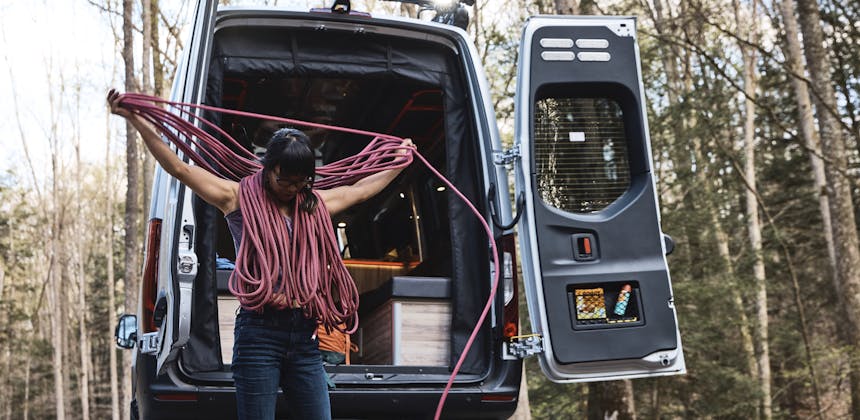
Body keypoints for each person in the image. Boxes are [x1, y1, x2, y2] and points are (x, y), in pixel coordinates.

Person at [107, 89, 413, 420]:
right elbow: (180, 169)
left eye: (300, 182)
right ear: (268, 169)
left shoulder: (313, 206)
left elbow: (360, 190)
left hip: (304, 337)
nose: (292, 188)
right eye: (284, 180)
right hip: (259, 335)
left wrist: (401, 158)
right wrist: (136, 120)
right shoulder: (236, 198)